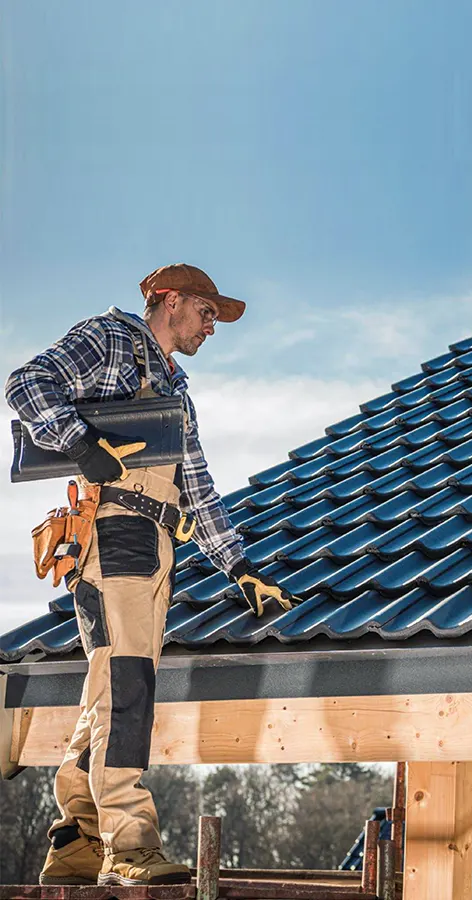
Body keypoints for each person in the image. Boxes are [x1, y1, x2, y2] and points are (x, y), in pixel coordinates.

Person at [5, 263, 297, 887]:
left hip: (156, 545)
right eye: (207, 312)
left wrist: (239, 567)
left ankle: (76, 840)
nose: (213, 327)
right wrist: (81, 444)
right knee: (129, 687)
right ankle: (129, 845)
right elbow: (25, 384)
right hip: (115, 536)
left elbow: (197, 484)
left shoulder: (175, 388)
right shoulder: (110, 340)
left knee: (109, 691)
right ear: (169, 301)